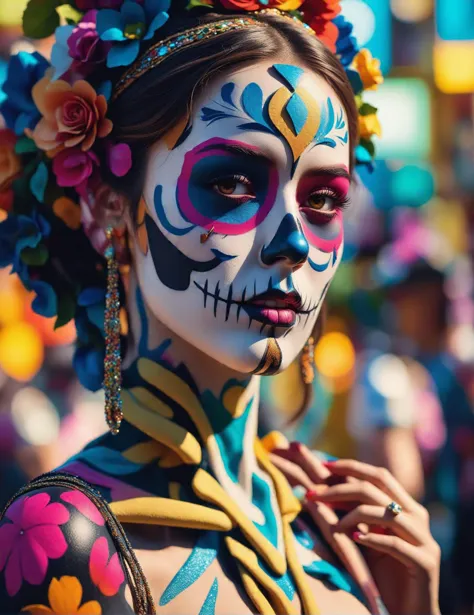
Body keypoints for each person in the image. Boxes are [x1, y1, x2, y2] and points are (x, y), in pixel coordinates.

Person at [0, 0, 440, 613]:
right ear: (108, 209)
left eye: (322, 199)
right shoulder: (63, 537)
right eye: (232, 183)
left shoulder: (336, 521)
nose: (291, 242)